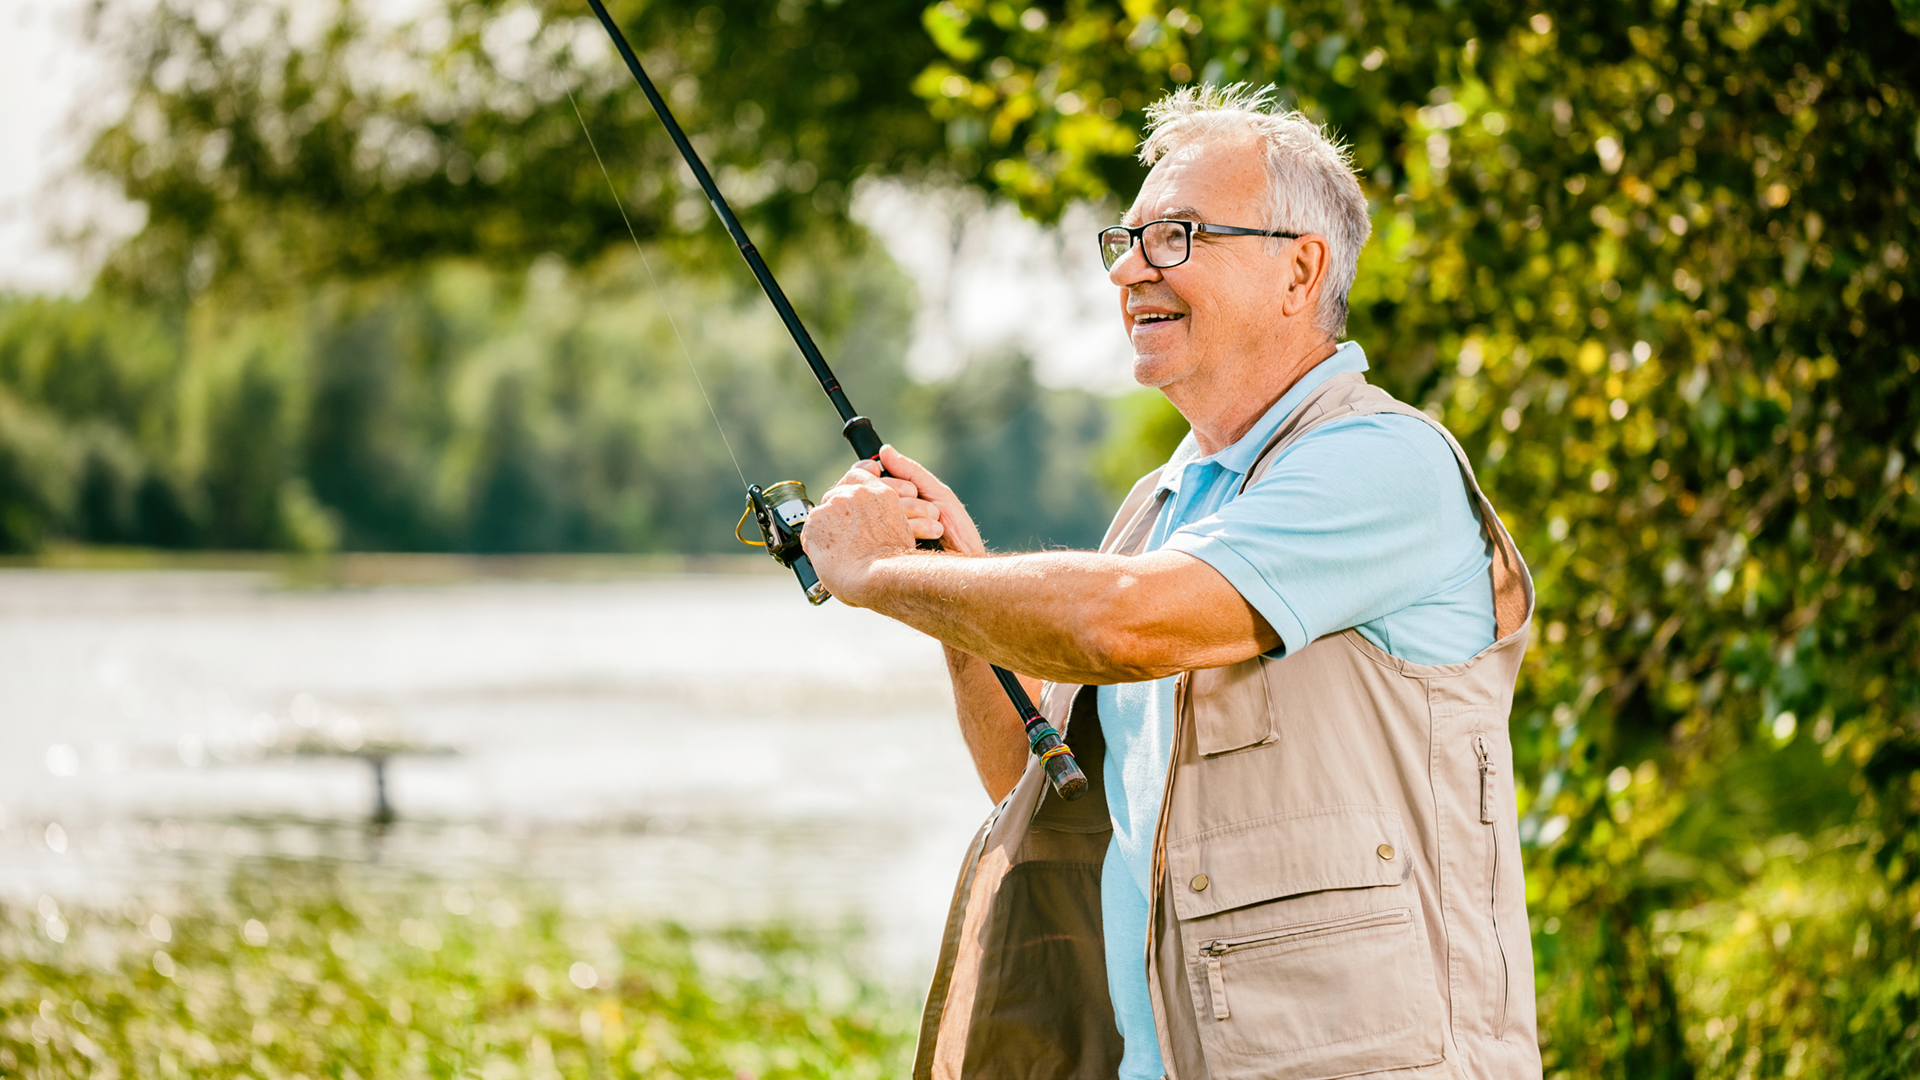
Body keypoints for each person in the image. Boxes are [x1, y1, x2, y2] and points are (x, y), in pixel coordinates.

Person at [802, 83, 1542, 1080]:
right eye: (1129, 240)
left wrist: (878, 574)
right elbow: (1043, 785)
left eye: (1180, 235)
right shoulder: (1165, 507)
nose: (1132, 271)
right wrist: (950, 581)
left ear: (1299, 271)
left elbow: (1120, 625)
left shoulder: (1381, 465)